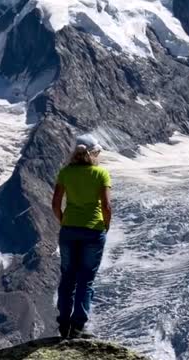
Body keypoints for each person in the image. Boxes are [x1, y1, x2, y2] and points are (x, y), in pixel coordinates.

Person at [52, 134, 112, 339]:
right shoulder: (101, 174)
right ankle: (78, 326)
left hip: (69, 229)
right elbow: (106, 206)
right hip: (93, 231)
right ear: (93, 153)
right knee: (85, 280)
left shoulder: (65, 173)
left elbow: (55, 203)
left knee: (67, 278)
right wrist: (106, 226)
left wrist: (64, 222)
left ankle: (63, 324)